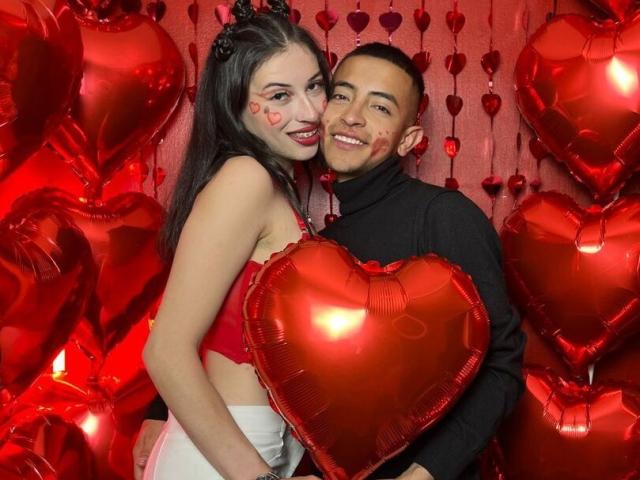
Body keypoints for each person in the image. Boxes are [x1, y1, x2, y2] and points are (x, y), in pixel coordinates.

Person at [137, 42, 525, 480]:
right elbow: (224, 318)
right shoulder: (317, 246)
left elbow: (502, 364)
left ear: (408, 139)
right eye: (341, 95)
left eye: (380, 107)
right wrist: (161, 410)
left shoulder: (444, 216)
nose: (352, 116)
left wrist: (421, 475)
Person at [140, 0, 330, 478]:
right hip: (225, 457)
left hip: (251, 449)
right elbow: (165, 352)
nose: (310, 111)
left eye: (314, 86)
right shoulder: (246, 179)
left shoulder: (275, 185)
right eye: (280, 96)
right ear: (235, 104)